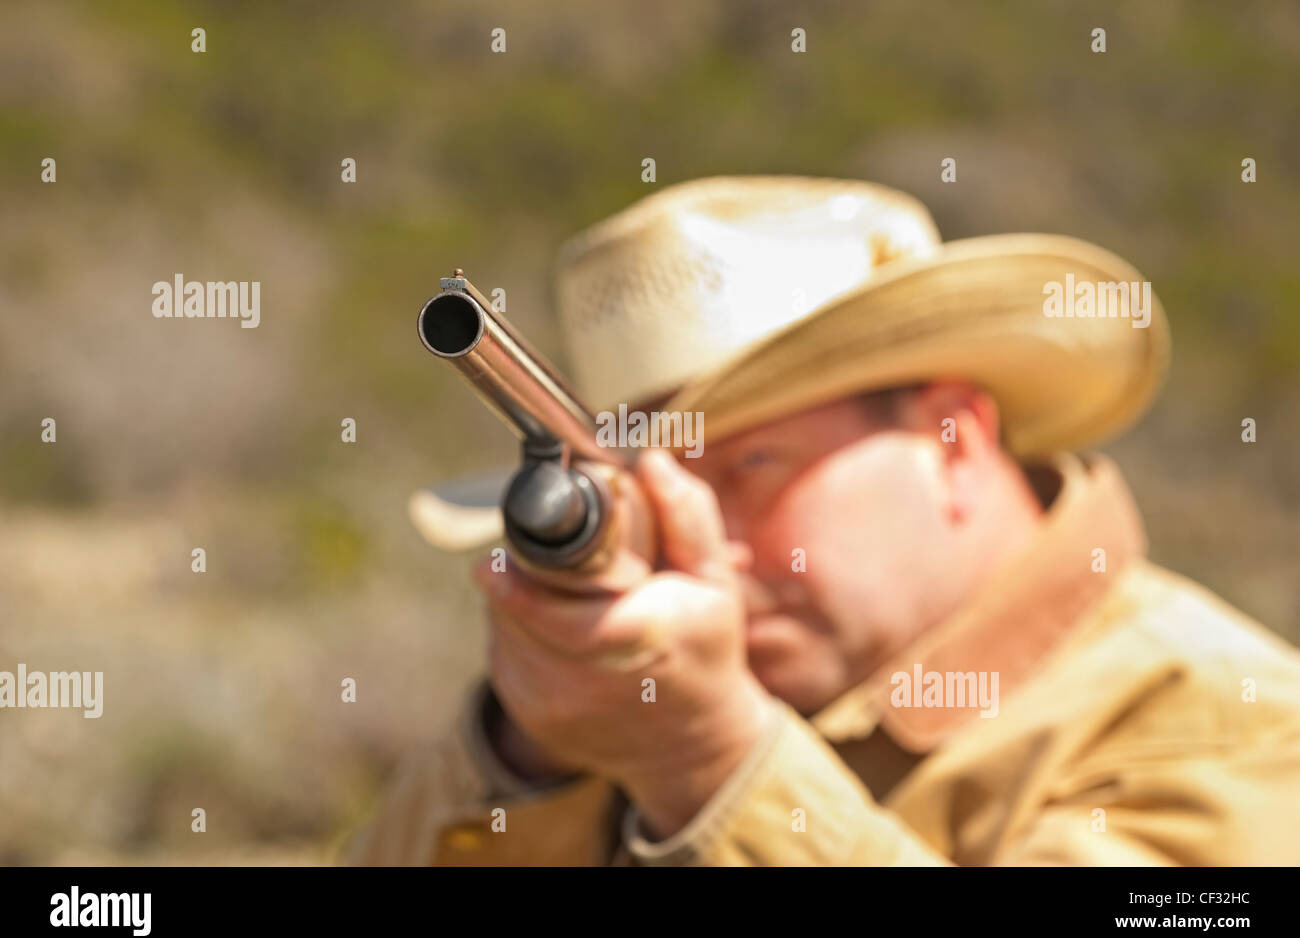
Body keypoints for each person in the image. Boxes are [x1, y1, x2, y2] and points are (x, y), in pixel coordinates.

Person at [348, 176, 1300, 865]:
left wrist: (712, 762)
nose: (697, 545)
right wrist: (529, 761)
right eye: (653, 497)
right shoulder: (665, 706)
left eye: (750, 467)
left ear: (951, 439)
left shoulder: (1237, 727)